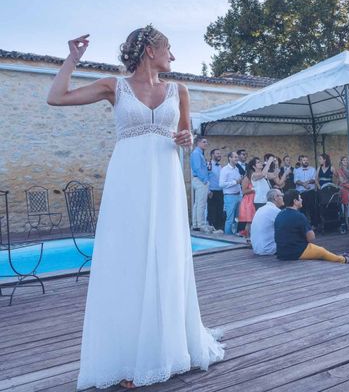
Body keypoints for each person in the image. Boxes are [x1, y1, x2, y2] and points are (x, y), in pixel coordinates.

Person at [47, 29, 224, 389]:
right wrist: (73, 59)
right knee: (128, 261)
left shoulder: (180, 91)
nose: (172, 57)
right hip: (128, 184)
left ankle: (169, 350)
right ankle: (129, 357)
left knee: (168, 260)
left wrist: (186, 139)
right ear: (149, 50)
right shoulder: (115, 87)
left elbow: (186, 136)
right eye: (168, 49)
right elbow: (56, 97)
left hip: (166, 183)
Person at [274, 190, 349, 263]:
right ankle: (343, 259)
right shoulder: (299, 216)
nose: (302, 200)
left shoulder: (279, 215)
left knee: (316, 250)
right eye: (300, 198)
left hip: (281, 253)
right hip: (297, 252)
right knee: (321, 251)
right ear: (295, 201)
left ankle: (340, 257)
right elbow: (311, 238)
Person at [250, 189, 284, 256]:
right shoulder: (275, 211)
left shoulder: (261, 209)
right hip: (269, 250)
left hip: (257, 249)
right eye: (281, 196)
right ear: (275, 197)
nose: (283, 198)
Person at [190, 136, 210, 232]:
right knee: (201, 203)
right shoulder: (197, 153)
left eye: (206, 142)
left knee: (197, 203)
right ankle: (201, 224)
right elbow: (197, 168)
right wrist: (204, 179)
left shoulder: (198, 153)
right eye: (204, 142)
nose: (206, 144)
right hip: (200, 180)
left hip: (198, 179)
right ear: (198, 142)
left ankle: (196, 224)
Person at [220, 151, 242, 235]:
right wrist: (234, 182)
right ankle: (228, 237)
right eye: (235, 157)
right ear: (230, 158)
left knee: (237, 218)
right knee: (229, 219)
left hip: (238, 195)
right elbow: (221, 184)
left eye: (237, 157)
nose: (237, 158)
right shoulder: (224, 170)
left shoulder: (237, 169)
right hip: (229, 197)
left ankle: (234, 234)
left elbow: (238, 182)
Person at [294, 155, 318, 228]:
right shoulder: (297, 170)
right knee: (302, 209)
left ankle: (314, 225)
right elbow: (296, 180)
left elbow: (314, 179)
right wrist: (303, 184)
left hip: (310, 191)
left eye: (307, 160)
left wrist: (306, 183)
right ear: (301, 161)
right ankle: (304, 225)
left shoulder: (313, 169)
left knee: (312, 207)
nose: (306, 161)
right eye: (304, 160)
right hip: (301, 192)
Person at [207, 148, 225, 231]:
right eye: (217, 153)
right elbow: (205, 178)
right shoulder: (208, 165)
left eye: (220, 153)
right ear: (212, 155)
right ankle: (212, 228)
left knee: (220, 210)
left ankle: (219, 228)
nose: (219, 155)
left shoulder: (220, 166)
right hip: (212, 191)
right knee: (212, 211)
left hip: (220, 191)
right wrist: (208, 190)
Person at [335, 156, 349, 233]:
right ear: (341, 162)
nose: (345, 161)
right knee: (346, 207)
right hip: (344, 189)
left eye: (346, 160)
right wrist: (348, 180)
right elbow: (342, 180)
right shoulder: (339, 170)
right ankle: (347, 224)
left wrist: (347, 181)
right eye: (343, 160)